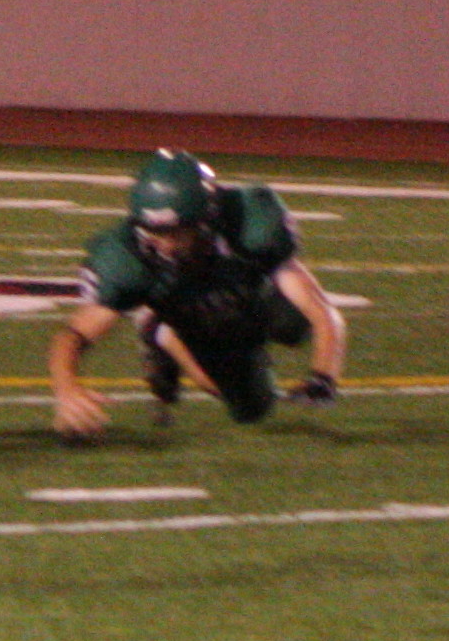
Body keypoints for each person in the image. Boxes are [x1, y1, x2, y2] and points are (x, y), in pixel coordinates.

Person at [49, 149, 347, 438]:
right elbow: (73, 335)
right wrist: (67, 388)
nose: (165, 245)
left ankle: (189, 332)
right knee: (252, 407)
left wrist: (323, 377)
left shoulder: (248, 222)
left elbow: (319, 310)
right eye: (154, 233)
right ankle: (162, 333)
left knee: (293, 322)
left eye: (176, 233)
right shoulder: (126, 257)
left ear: (207, 218)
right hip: (190, 312)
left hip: (248, 295)